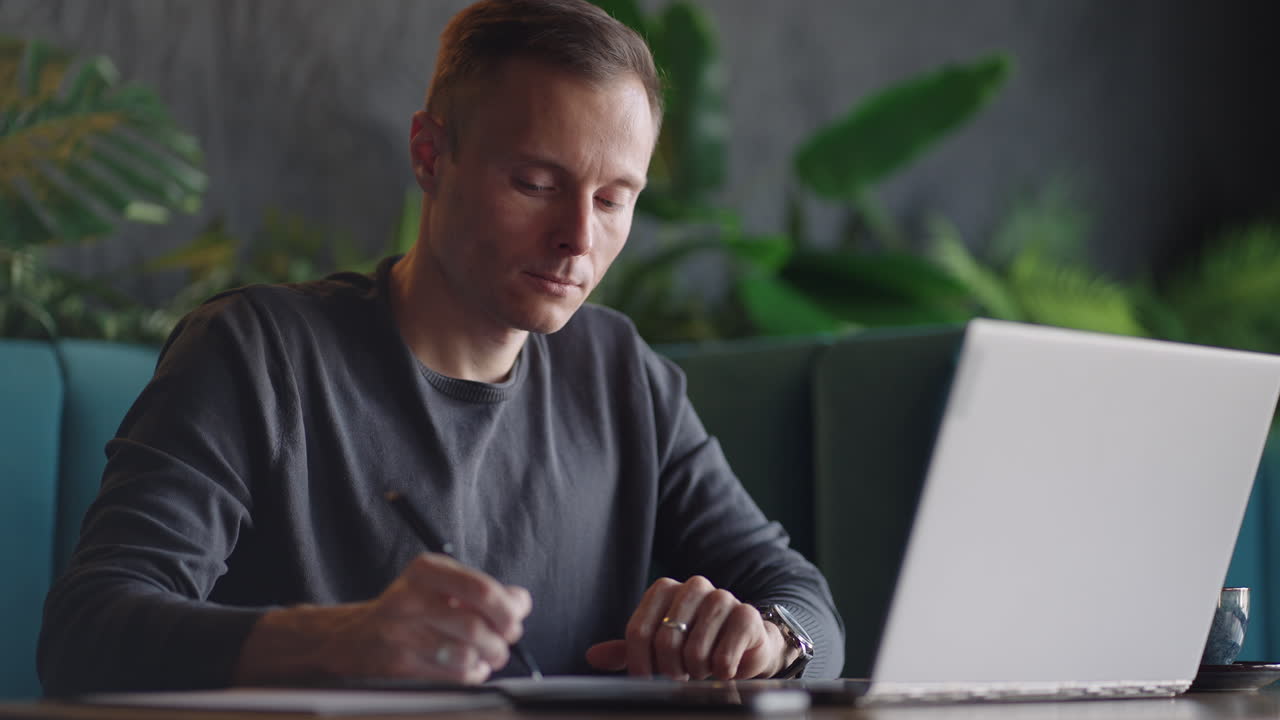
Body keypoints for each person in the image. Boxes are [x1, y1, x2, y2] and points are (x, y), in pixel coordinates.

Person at [37, 0, 844, 694]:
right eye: (535, 183)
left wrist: (770, 640)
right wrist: (337, 644)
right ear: (431, 154)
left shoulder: (621, 372)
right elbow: (87, 630)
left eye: (613, 199)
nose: (577, 238)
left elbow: (803, 598)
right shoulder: (259, 352)